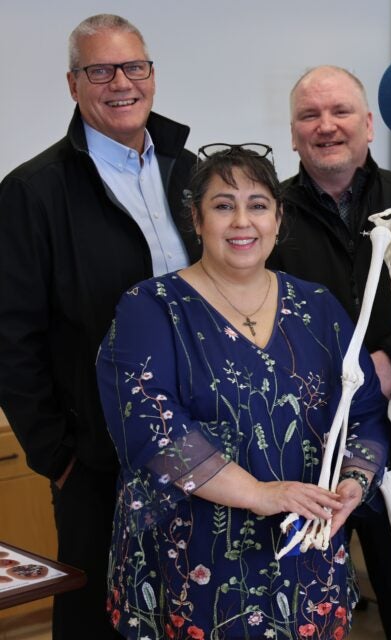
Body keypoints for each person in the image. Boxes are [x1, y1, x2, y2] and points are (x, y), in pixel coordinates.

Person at [96, 145, 389, 639]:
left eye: (257, 205)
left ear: (278, 218)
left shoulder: (318, 307)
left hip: (304, 560)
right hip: (197, 563)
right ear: (196, 218)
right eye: (223, 205)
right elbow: (153, 430)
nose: (242, 222)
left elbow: (365, 413)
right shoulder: (151, 309)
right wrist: (257, 493)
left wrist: (352, 486)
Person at [0, 14, 197, 638]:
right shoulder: (33, 192)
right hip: (96, 458)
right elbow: (12, 337)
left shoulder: (190, 174)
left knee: (191, 601)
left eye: (133, 67)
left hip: (202, 442)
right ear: (73, 83)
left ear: (152, 77)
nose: (120, 82)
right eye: (100, 70)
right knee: (99, 615)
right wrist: (58, 456)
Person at [268, 65, 391, 639]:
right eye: (309, 116)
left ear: (367, 125)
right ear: (293, 134)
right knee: (303, 603)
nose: (326, 126)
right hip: (305, 447)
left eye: (340, 112)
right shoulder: (268, 216)